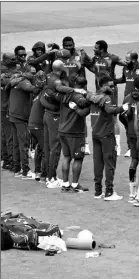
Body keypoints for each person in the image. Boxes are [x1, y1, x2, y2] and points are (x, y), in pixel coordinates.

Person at [81, 40, 127, 157]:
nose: (94, 49)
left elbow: (125, 63)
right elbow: (93, 68)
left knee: (113, 117)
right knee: (100, 115)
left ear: (102, 49)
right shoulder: (95, 58)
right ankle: (102, 141)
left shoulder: (112, 58)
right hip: (99, 90)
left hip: (111, 91)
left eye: (96, 48)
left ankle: (117, 145)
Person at [46, 76, 91, 193]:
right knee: (78, 158)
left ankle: (65, 184)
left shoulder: (64, 95)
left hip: (62, 130)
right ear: (84, 86)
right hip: (75, 132)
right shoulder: (79, 97)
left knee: (66, 157)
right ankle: (75, 185)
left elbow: (52, 93)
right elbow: (85, 105)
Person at [87, 75, 128, 200]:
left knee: (98, 162)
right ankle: (109, 192)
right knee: (109, 162)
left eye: (113, 85)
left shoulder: (93, 97)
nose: (113, 88)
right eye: (110, 86)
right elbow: (109, 110)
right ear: (103, 85)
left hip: (95, 133)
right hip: (106, 134)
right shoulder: (106, 98)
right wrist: (122, 108)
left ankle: (98, 191)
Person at [42, 60, 76, 188]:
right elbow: (59, 88)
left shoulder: (48, 76)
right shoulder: (56, 79)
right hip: (54, 117)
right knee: (55, 148)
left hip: (46, 114)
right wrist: (74, 90)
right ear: (61, 68)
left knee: (47, 147)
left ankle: (47, 176)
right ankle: (52, 179)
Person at [8, 69, 40, 179]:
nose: (34, 74)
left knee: (16, 144)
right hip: (20, 117)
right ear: (26, 73)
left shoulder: (14, 80)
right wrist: (41, 84)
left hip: (13, 115)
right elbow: (33, 90)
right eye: (32, 72)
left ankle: (17, 169)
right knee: (23, 143)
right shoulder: (23, 82)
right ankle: (25, 171)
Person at [122, 76, 139, 203]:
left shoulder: (127, 98)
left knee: (134, 161)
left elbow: (121, 116)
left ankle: (132, 192)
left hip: (132, 134)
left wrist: (128, 126)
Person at [28, 70, 48, 181]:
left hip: (32, 124)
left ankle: (37, 172)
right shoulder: (44, 91)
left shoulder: (36, 92)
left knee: (39, 148)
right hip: (37, 125)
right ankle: (45, 175)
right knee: (45, 148)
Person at [1, 53, 18, 171]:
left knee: (4, 135)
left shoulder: (7, 70)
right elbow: (11, 82)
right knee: (10, 136)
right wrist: (16, 76)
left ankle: (6, 160)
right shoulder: (4, 73)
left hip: (5, 107)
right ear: (6, 60)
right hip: (6, 108)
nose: (14, 61)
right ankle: (11, 162)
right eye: (11, 59)